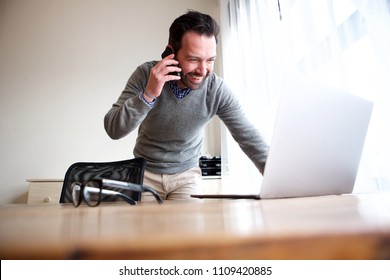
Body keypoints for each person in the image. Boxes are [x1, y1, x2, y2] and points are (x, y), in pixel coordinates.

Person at [104, 10, 269, 201]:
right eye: (193, 59)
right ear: (171, 52)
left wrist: (280, 180)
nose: (203, 69)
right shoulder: (145, 75)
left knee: (190, 229)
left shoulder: (216, 90)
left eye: (210, 60)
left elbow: (248, 137)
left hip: (187, 176)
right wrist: (148, 94)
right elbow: (113, 129)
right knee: (146, 230)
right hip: (144, 173)